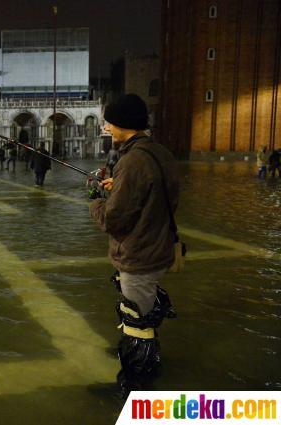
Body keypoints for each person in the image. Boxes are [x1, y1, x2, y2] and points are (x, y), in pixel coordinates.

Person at [89, 93, 179, 395]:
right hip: (157, 247)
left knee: (135, 320)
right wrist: (121, 187)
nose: (107, 127)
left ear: (123, 124)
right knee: (142, 312)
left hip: (139, 254)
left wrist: (96, 200)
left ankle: (133, 388)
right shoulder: (158, 153)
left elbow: (113, 221)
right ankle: (148, 362)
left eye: (110, 122)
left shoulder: (133, 161)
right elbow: (156, 194)